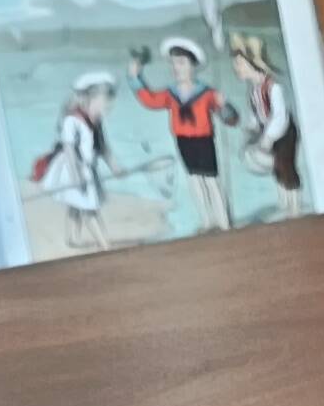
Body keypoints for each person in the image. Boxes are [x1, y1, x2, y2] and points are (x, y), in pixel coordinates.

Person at [129, 36, 238, 233]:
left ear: (192, 65)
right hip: (182, 141)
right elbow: (151, 101)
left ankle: (224, 223)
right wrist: (136, 78)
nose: (176, 68)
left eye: (181, 63)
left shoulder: (207, 93)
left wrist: (225, 104)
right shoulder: (170, 93)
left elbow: (231, 120)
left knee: (211, 181)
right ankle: (207, 222)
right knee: (195, 181)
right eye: (173, 63)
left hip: (204, 141)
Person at [32, 72, 120, 254]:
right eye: (104, 101)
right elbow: (69, 150)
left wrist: (115, 167)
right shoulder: (72, 121)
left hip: (88, 169)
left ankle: (72, 237)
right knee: (88, 208)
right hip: (73, 169)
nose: (108, 105)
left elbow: (103, 147)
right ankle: (105, 245)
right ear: (90, 99)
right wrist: (75, 176)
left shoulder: (97, 121)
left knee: (77, 203)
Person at [231, 36, 303, 216]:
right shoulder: (254, 89)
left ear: (253, 63)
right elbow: (258, 114)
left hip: (284, 133)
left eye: (240, 64)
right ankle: (284, 204)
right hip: (268, 132)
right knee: (277, 170)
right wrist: (253, 126)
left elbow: (279, 117)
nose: (237, 68)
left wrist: (268, 138)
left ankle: (295, 206)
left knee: (286, 168)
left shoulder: (273, 87)